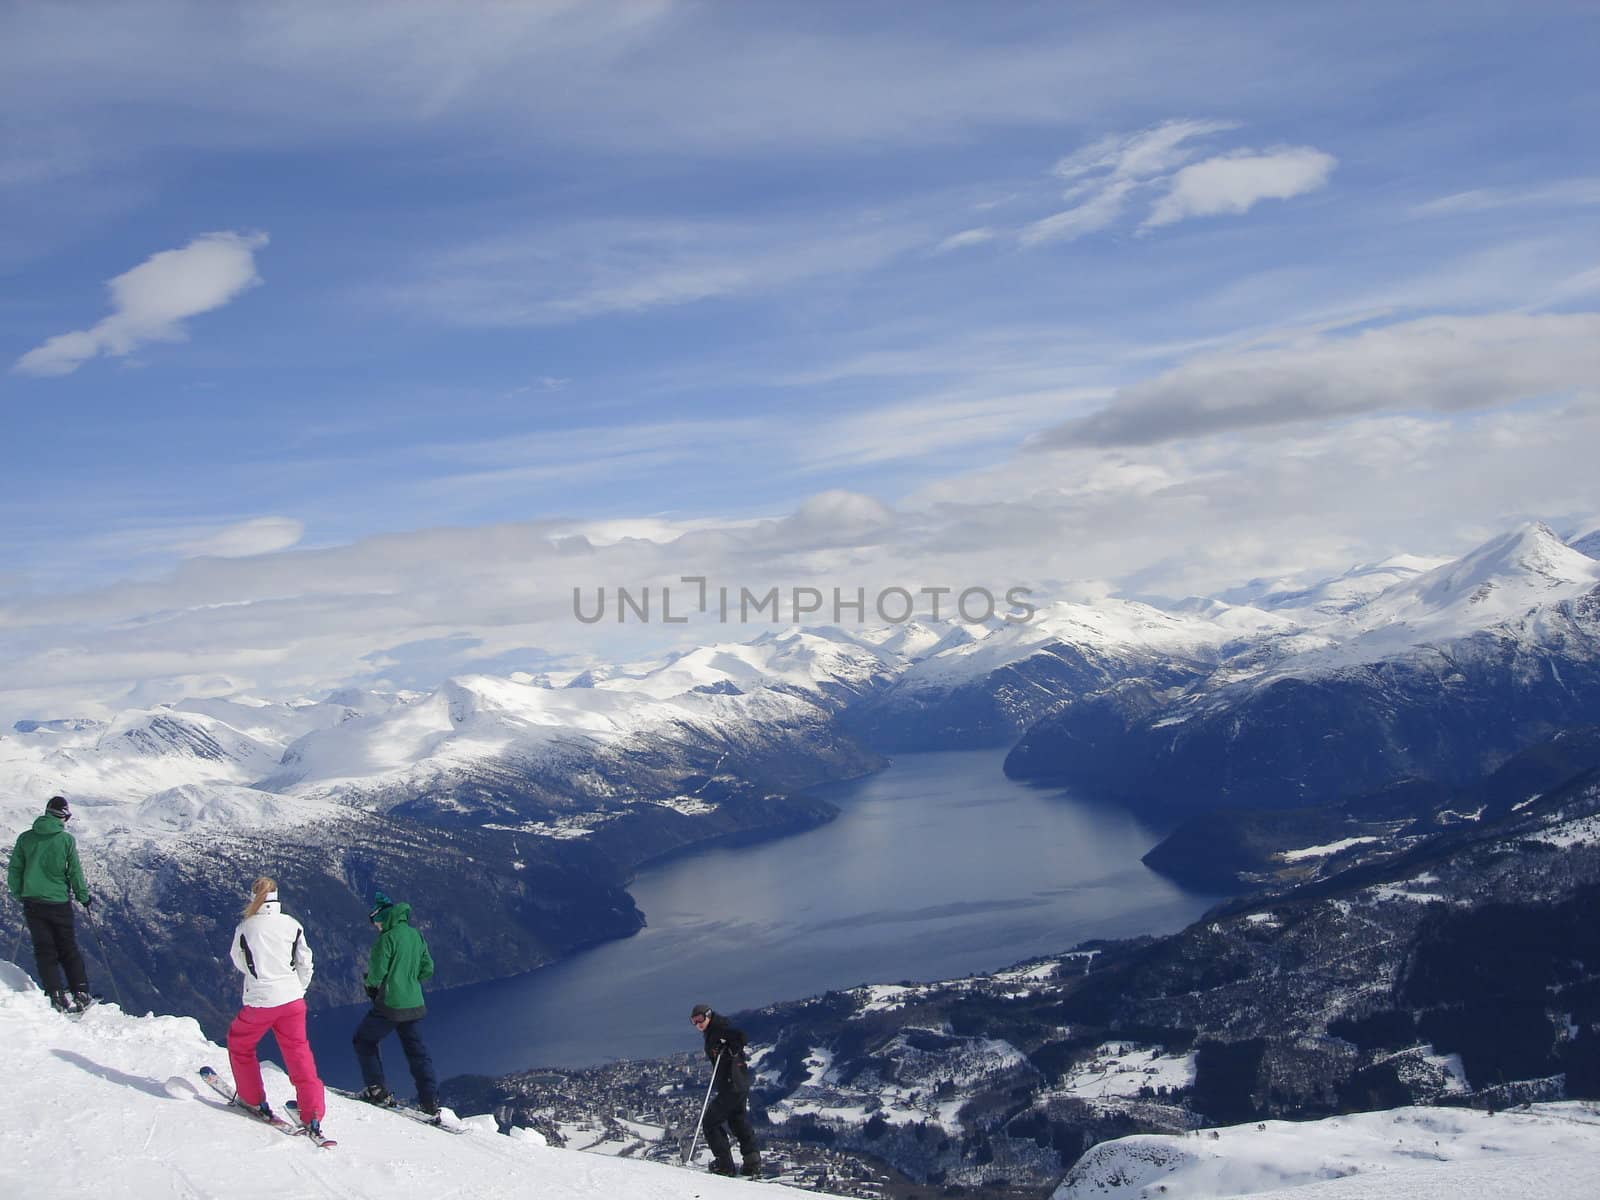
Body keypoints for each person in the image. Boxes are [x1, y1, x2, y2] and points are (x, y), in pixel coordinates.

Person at [226, 876, 327, 1137]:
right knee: (299, 1054)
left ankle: (252, 1098)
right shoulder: (292, 925)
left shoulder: (246, 928)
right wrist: (298, 989)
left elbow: (239, 961)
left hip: (261, 1001)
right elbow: (305, 962)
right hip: (293, 1000)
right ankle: (312, 1113)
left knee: (240, 1044)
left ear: (254, 897)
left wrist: (260, 978)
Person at [352, 890, 440, 1116]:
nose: (376, 928)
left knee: (364, 1040)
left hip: (391, 1004)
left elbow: (376, 973)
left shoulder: (386, 939)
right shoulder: (415, 935)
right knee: (416, 1051)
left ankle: (376, 1090)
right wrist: (410, 981)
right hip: (414, 1003)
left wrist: (373, 985)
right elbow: (428, 968)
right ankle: (429, 1102)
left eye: (377, 923)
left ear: (384, 919)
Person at [8, 796, 93, 1013]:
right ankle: (80, 991)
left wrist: (20, 893)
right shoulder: (66, 840)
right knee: (67, 947)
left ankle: (55, 993)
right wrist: (83, 896)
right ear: (63, 816)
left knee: (44, 950)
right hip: (58, 902)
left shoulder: (25, 838)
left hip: (33, 902)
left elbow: (15, 869)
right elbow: (74, 871)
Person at [690, 1002, 762, 1177]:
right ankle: (752, 1163)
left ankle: (725, 1165)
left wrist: (731, 1047)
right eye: (694, 1021)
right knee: (737, 1121)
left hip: (732, 1083)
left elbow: (740, 1037)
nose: (698, 1024)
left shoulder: (718, 1029)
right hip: (738, 1083)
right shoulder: (713, 1030)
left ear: (708, 1015)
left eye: (700, 1019)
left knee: (710, 1123)